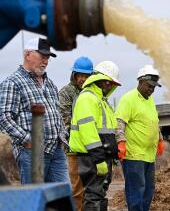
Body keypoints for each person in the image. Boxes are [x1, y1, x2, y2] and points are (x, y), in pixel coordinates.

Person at [0, 37, 69, 184]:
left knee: (62, 198)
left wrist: (62, 135)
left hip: (56, 151)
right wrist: (28, 140)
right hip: (32, 153)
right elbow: (3, 118)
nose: (45, 61)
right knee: (36, 200)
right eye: (42, 56)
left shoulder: (50, 84)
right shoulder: (12, 82)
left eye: (48, 57)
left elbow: (56, 113)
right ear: (27, 54)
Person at [69, 61, 120, 211]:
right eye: (109, 83)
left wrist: (113, 153)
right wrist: (99, 159)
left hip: (101, 156)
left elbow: (108, 131)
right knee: (93, 196)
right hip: (91, 157)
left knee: (100, 194)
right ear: (101, 80)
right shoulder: (88, 98)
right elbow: (88, 131)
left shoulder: (100, 100)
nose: (110, 87)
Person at [115, 65, 164, 211]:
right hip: (134, 155)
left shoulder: (150, 100)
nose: (152, 89)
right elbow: (119, 122)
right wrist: (121, 142)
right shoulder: (129, 99)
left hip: (149, 155)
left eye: (154, 87)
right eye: (149, 86)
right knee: (136, 191)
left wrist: (160, 139)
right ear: (141, 81)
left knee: (148, 190)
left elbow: (154, 122)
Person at [59, 56, 93, 211]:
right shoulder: (66, 92)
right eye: (81, 75)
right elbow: (64, 120)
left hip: (91, 148)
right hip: (74, 149)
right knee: (76, 189)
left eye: (87, 76)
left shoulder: (93, 93)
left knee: (91, 190)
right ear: (74, 75)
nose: (83, 79)